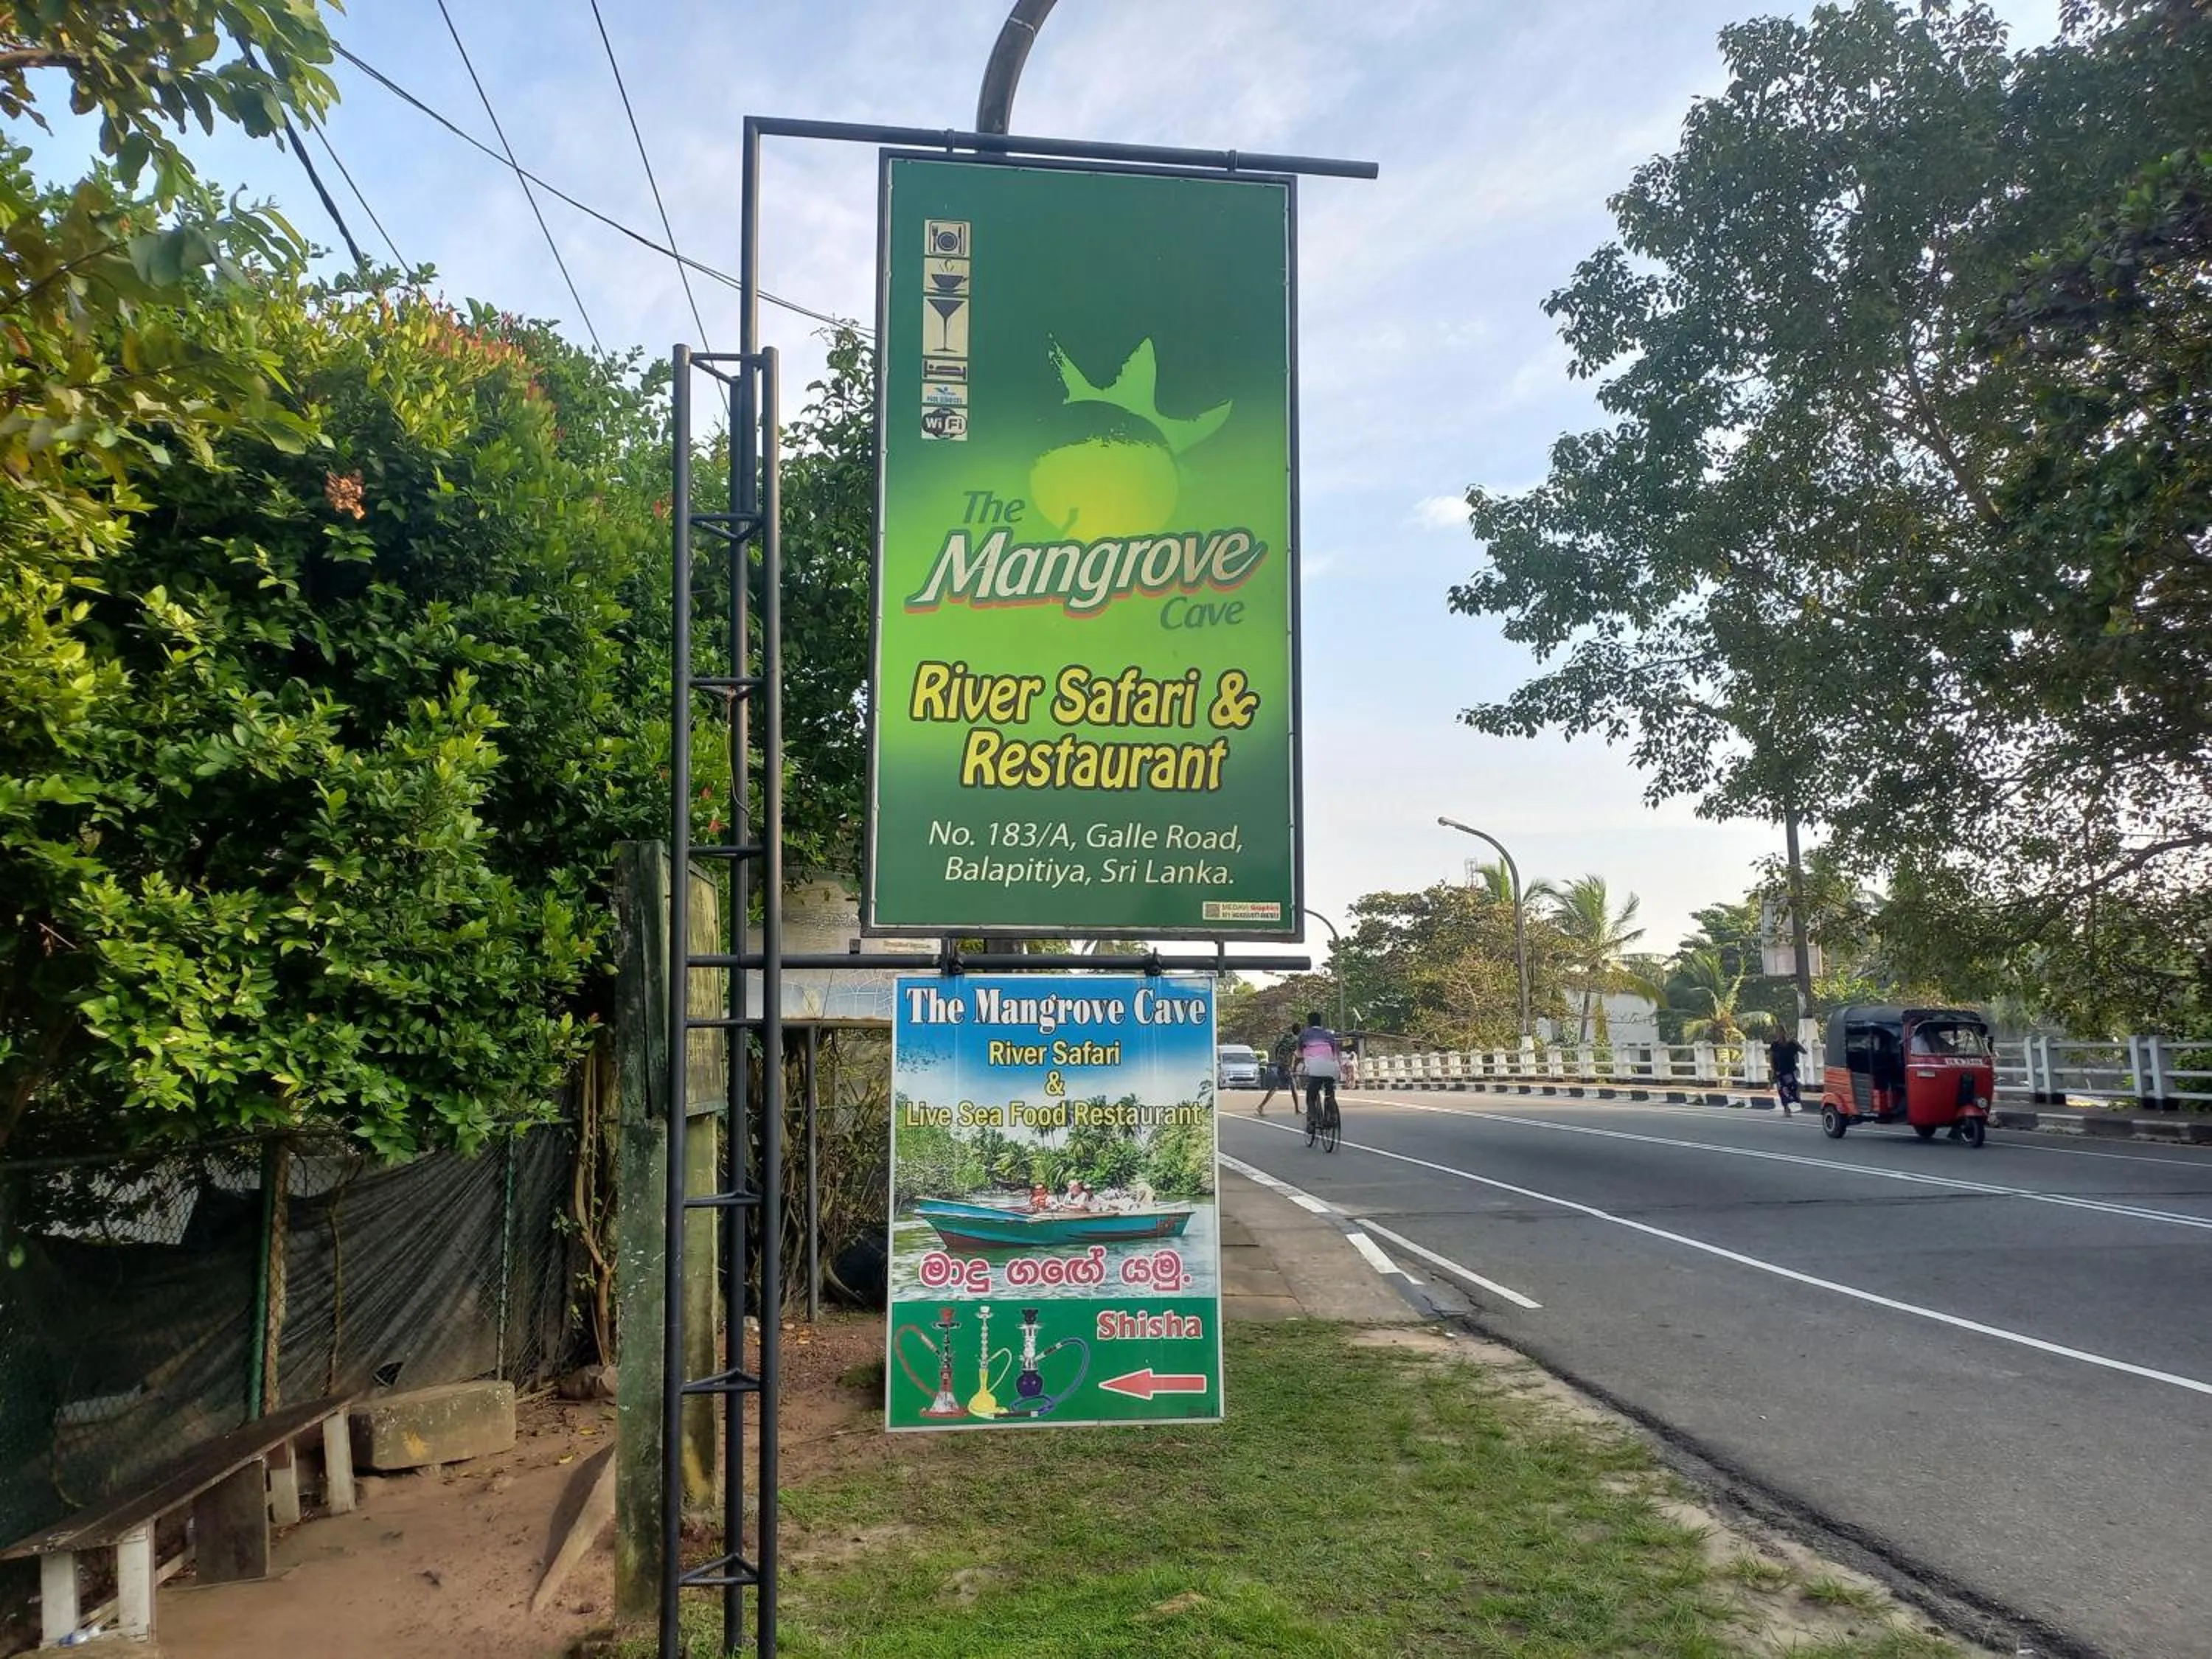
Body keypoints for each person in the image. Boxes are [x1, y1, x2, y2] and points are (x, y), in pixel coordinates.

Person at [1298, 1011, 1341, 1131]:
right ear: (1320, 1022)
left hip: (1315, 1068)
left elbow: (1299, 1053)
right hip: (1331, 1067)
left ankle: (1312, 1119)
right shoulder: (1329, 1035)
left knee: (1311, 1096)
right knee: (1329, 1091)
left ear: (1309, 1022)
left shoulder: (1304, 1034)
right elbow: (1335, 1053)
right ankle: (1332, 1115)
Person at [1255, 1025, 1301, 1115]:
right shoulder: (1296, 1040)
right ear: (1299, 1031)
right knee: (1291, 1086)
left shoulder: (1286, 1037)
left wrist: (1278, 1059)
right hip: (1286, 1065)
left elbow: (1277, 1047)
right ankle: (1297, 1110)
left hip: (1281, 1062)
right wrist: (1292, 1066)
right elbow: (1293, 1054)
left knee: (1278, 1086)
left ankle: (1261, 1106)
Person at [1769, 1027, 1805, 1116]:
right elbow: (1771, 1059)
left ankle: (1798, 1090)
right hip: (1780, 1071)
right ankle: (1786, 1109)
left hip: (1790, 1071)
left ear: (1784, 1033)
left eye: (1781, 1032)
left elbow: (1804, 1052)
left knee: (1792, 1088)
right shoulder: (1774, 1045)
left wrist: (1797, 1043)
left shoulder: (1791, 1044)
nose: (1779, 1034)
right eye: (1777, 1032)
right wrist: (1773, 1071)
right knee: (1782, 1091)